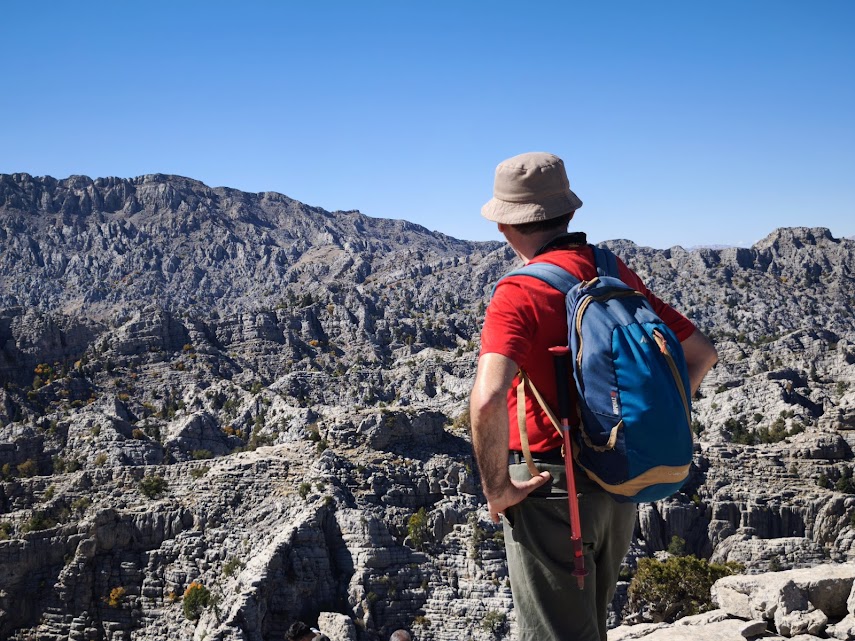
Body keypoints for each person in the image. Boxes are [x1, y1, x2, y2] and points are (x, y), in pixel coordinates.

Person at [469, 152, 718, 641]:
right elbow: (702, 354)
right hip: (618, 475)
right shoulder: (610, 269)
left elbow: (486, 399)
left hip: (548, 483)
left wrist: (498, 489)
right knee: (589, 624)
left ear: (505, 225)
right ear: (569, 212)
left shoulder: (517, 291)